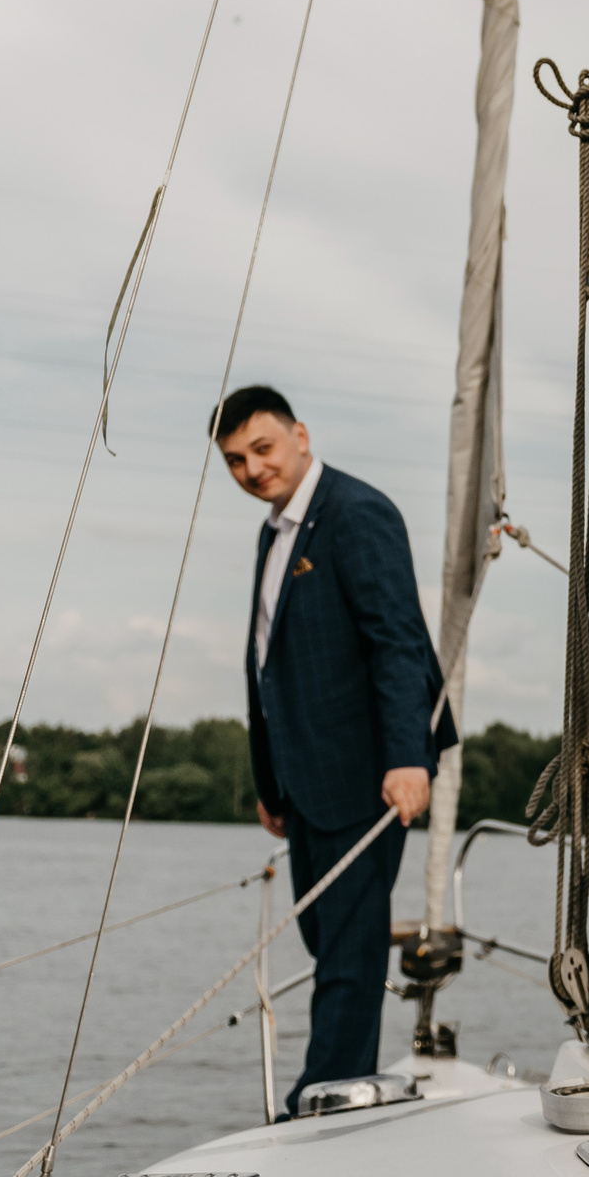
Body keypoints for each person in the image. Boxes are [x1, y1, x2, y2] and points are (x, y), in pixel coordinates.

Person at [215, 384, 454, 1117]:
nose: (253, 469)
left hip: (371, 770)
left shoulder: (356, 512)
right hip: (304, 777)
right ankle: (334, 1078)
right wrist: (271, 779)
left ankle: (320, 1097)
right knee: (326, 936)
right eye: (234, 461)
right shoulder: (274, 530)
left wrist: (409, 756)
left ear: (300, 436)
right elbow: (271, 663)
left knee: (349, 944)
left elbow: (398, 642)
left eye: (263, 448)